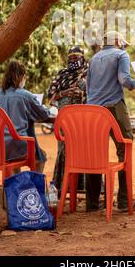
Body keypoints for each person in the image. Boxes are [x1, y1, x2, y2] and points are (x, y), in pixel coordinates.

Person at [86, 31, 135, 212]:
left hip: (93, 111)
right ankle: (123, 202)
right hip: (114, 107)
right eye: (123, 42)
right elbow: (124, 79)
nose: (124, 45)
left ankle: (91, 203)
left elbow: (88, 87)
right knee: (125, 149)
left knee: (94, 153)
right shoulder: (121, 54)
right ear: (117, 41)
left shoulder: (93, 59)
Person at [0, 60, 50, 173]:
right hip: (17, 146)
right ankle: (33, 188)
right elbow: (44, 114)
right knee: (41, 157)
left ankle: (16, 185)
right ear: (21, 77)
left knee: (14, 144)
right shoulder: (25, 95)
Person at [47, 46, 87, 193]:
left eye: (76, 58)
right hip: (64, 120)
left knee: (82, 150)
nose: (72, 61)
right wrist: (64, 93)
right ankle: (63, 187)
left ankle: (82, 188)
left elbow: (94, 95)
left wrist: (81, 93)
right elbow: (51, 95)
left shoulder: (89, 74)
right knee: (64, 150)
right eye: (70, 58)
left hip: (83, 121)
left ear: (83, 58)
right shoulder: (62, 74)